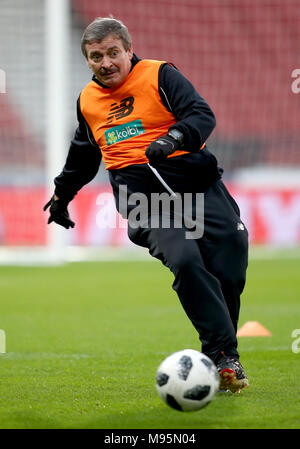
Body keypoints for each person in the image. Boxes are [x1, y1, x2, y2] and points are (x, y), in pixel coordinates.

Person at [44, 17, 249, 393]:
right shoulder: (87, 102)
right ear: (86, 60)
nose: (105, 63)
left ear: (127, 49)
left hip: (199, 188)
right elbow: (83, 156)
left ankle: (218, 355)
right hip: (144, 203)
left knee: (230, 264)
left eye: (111, 53)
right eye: (95, 57)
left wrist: (172, 140)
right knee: (186, 260)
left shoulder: (160, 76)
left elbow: (201, 115)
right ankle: (223, 356)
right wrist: (62, 195)